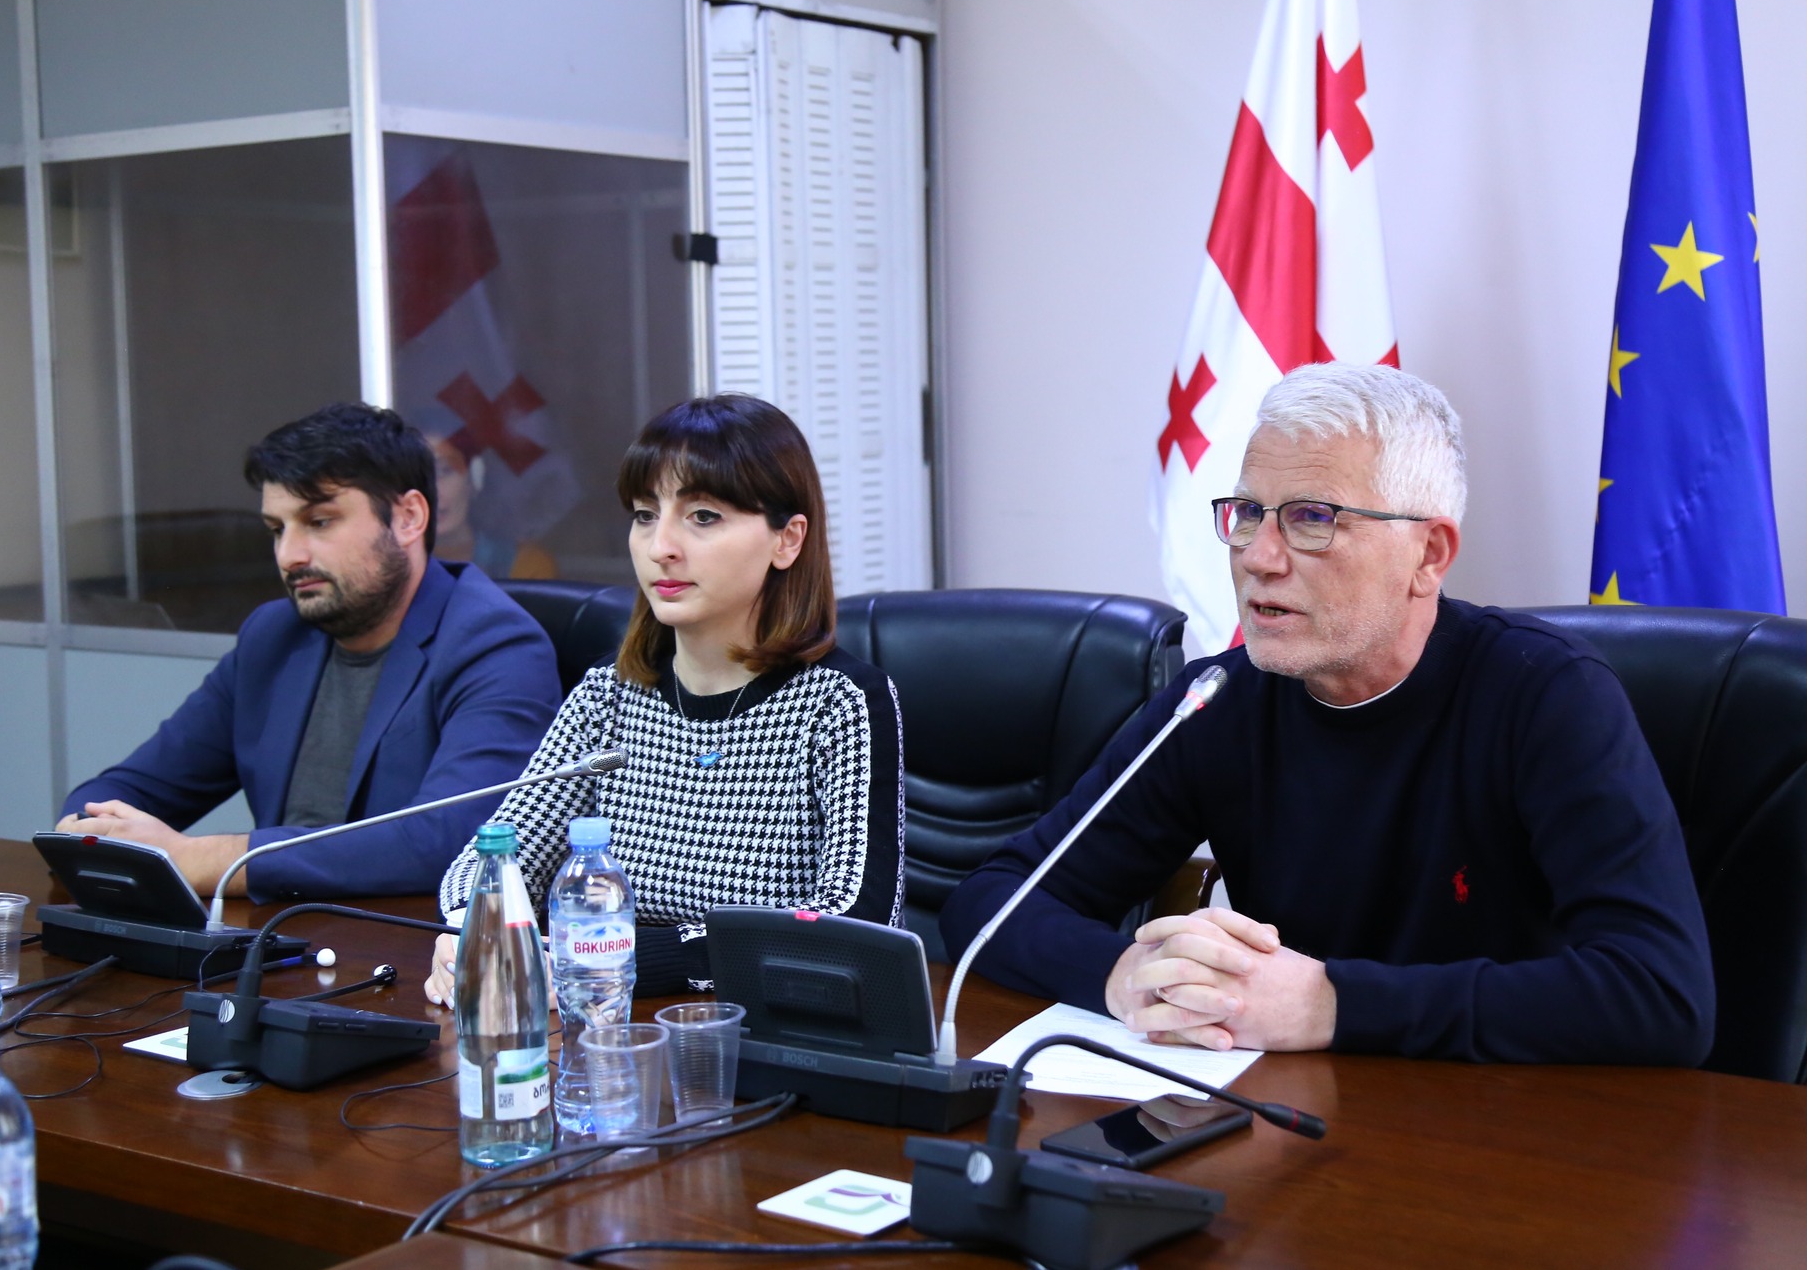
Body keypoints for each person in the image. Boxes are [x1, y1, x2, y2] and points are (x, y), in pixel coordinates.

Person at [941, 363, 1715, 1066]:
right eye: (1248, 512)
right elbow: (993, 898)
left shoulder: (1545, 694)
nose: (1259, 555)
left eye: (1312, 518)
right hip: (1296, 1118)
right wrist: (1122, 973)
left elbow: (1661, 995)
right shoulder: (1216, 703)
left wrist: (1331, 1002)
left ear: (1428, 555)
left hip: (1507, 1127)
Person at [424, 394, 905, 1003]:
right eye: (645, 515)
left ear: (787, 540)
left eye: (702, 516)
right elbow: (491, 858)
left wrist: (608, 959)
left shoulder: (838, 703)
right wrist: (472, 928)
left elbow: (854, 924)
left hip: (768, 1031)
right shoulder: (608, 695)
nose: (660, 548)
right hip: (608, 1028)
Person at [58, 403, 561, 901]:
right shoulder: (274, 636)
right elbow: (133, 787)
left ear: (408, 517)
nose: (289, 556)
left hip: (406, 941)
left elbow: (451, 841)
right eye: (277, 529)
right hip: (277, 932)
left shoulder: (495, 645)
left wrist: (202, 859)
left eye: (319, 522)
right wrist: (88, 828)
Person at [427, 438, 558, 580]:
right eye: (414, 475)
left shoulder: (526, 565)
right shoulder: (407, 567)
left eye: (443, 471)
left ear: (473, 479)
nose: (431, 490)